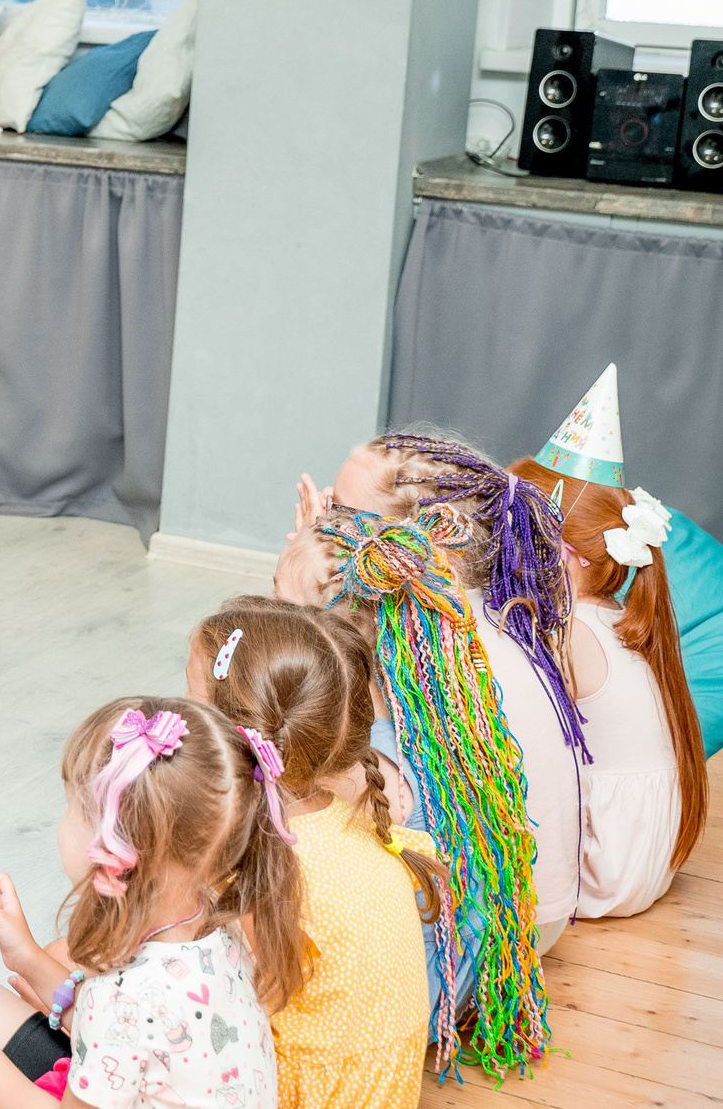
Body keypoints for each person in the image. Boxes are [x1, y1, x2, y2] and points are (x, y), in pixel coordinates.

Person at [0, 697, 299, 1109]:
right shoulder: (214, 918)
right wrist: (25, 956)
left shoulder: (119, 1002)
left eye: (72, 807)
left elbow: (122, 1017)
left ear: (115, 850)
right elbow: (142, 1030)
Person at [274, 430, 583, 954]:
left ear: (419, 537)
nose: (329, 522)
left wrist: (310, 594)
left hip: (490, 937)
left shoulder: (421, 652)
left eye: (342, 513)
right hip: (542, 911)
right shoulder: (496, 610)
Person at [317, 508, 550, 1079]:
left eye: (280, 601)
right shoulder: (453, 731)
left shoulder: (360, 766)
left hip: (387, 1017)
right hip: (458, 984)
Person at [188, 599, 446, 1107]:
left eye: (193, 702)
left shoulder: (266, 865)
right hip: (383, 1089)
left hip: (310, 1091)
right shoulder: (355, 819)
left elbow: (221, 1006)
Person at [509, 366, 708, 918]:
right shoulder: (617, 615)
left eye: (517, 540)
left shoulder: (568, 632)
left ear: (562, 554)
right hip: (649, 858)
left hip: (603, 869)